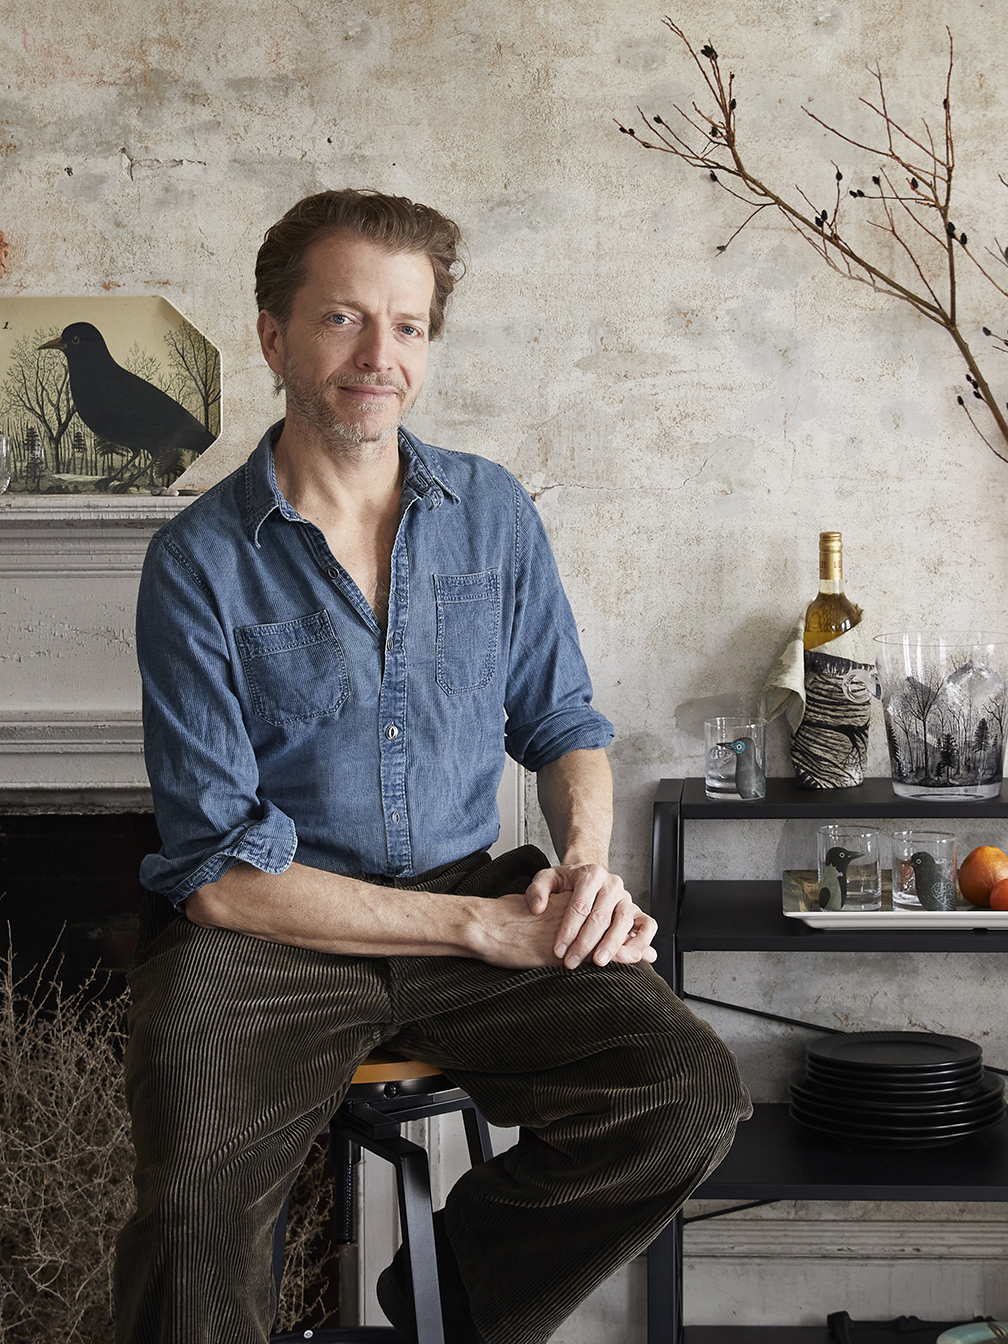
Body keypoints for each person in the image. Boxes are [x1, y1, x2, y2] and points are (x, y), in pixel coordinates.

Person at [114, 188, 751, 1344]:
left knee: (685, 1095)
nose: (380, 356)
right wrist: (480, 928)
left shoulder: (492, 511)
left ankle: (445, 1307)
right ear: (274, 336)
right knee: (198, 1196)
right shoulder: (196, 561)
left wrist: (586, 866)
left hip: (472, 893)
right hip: (269, 931)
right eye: (343, 318)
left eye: (407, 325)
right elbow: (219, 876)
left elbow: (563, 722)